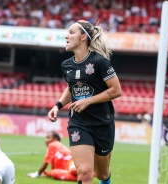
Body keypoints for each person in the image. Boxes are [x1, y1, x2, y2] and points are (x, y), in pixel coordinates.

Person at [48, 20, 121, 184]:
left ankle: (106, 179)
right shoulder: (66, 65)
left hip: (102, 122)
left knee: (101, 174)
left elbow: (116, 90)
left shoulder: (100, 61)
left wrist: (88, 101)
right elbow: (71, 88)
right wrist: (57, 105)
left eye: (71, 32)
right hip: (79, 123)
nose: (67, 36)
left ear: (83, 37)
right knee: (85, 172)